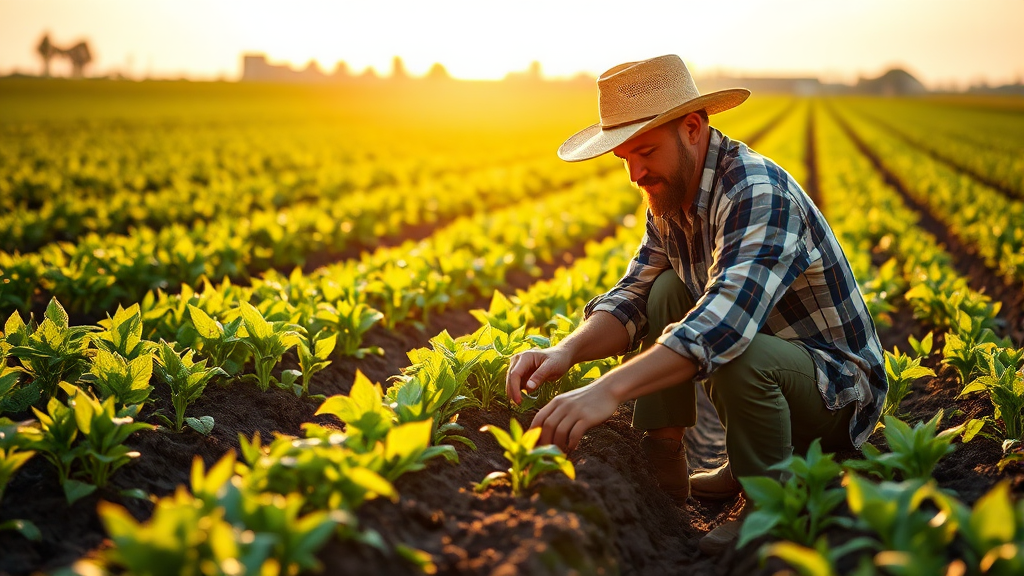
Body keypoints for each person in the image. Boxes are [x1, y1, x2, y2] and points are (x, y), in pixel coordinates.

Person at [503, 54, 886, 554]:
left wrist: (607, 391)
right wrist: (565, 353)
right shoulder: (672, 195)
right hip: (779, 358)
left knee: (738, 352)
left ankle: (769, 503)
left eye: (645, 152)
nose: (636, 173)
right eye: (624, 159)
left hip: (836, 388)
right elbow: (633, 297)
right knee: (664, 290)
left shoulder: (756, 192)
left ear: (692, 128)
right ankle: (665, 460)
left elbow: (724, 325)